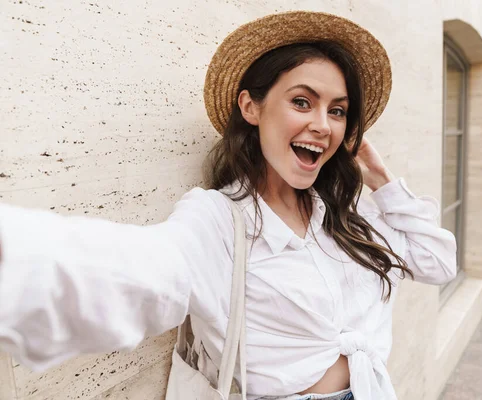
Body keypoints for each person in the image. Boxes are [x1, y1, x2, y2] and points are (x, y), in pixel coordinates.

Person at [0, 11, 457, 400]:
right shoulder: (218, 219)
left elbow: (438, 263)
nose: (322, 125)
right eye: (302, 101)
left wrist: (380, 179)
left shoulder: (342, 213)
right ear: (251, 107)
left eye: (337, 111)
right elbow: (140, 272)